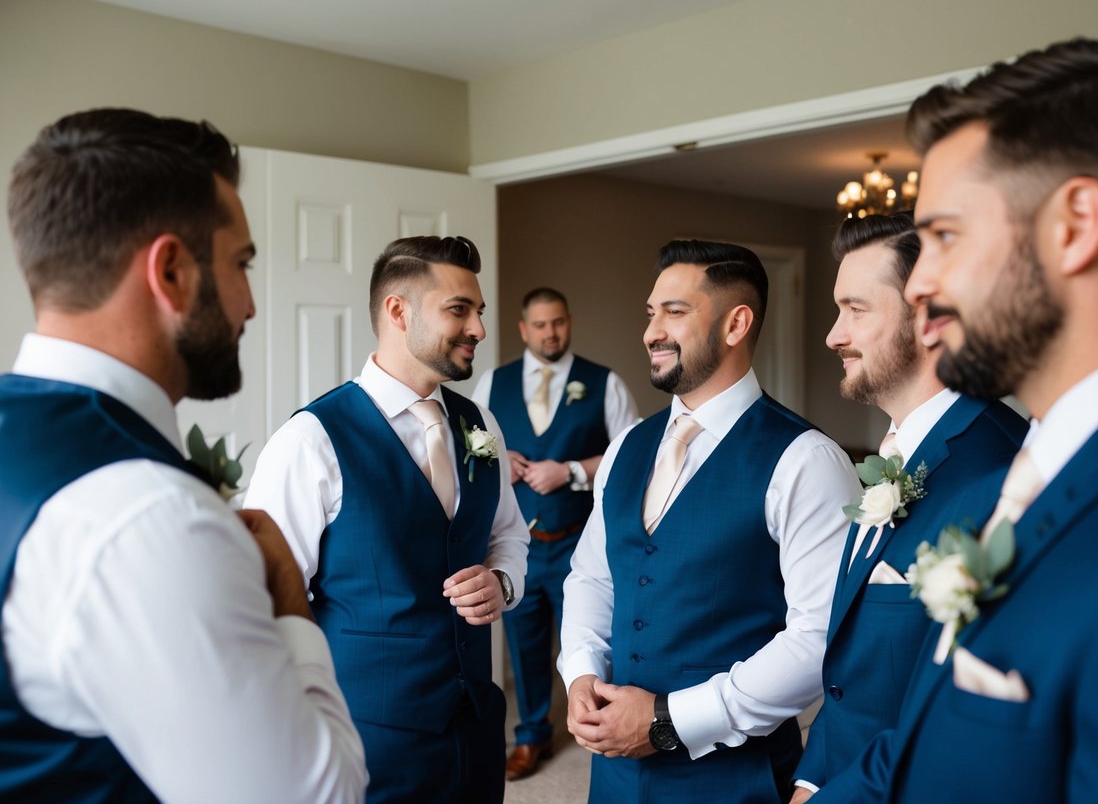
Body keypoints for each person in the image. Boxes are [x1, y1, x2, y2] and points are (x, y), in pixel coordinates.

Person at [812, 38, 1098, 803]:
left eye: (944, 237)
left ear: (1074, 224)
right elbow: (923, 736)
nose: (921, 284)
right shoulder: (1016, 471)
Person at [0, 108, 367, 801]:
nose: (251, 304)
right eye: (241, 264)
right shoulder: (148, 516)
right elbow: (316, 797)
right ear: (170, 270)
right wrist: (290, 604)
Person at [560, 239, 860, 803]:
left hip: (733, 777)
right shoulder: (626, 447)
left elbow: (818, 637)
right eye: (651, 313)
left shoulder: (806, 460)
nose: (651, 331)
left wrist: (671, 718)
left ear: (735, 324)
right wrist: (580, 673)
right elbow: (593, 578)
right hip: (616, 777)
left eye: (674, 312)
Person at [245, 235, 529, 803]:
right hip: (367, 737)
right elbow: (268, 602)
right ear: (398, 311)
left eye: (479, 312)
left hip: (475, 723)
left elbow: (508, 535)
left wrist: (502, 582)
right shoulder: (310, 441)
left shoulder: (481, 425)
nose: (478, 328)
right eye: (459, 310)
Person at [788, 213, 1026, 802]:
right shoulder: (893, 454)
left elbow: (962, 717)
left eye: (856, 309)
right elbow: (852, 676)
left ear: (928, 317)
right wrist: (810, 779)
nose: (833, 335)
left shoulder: (1001, 472)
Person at [471, 286, 638, 781]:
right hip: (518, 543)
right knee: (523, 643)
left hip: (578, 543)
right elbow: (470, 449)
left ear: (569, 322)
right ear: (524, 329)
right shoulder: (491, 383)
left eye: (558, 322)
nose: (550, 332)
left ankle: (602, 731)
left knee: (591, 639)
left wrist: (570, 471)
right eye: (540, 324)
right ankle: (531, 736)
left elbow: (630, 454)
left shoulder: (603, 383)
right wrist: (503, 461)